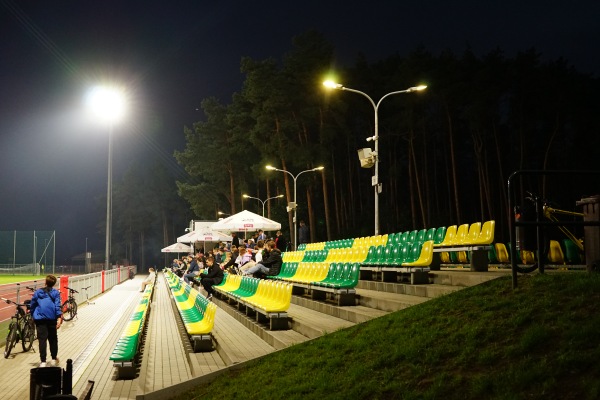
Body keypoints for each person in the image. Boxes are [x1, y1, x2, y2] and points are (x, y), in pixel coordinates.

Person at [30, 274, 63, 367]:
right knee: (53, 339)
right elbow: (57, 306)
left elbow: (32, 305)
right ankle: (53, 359)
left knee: (42, 340)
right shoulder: (55, 293)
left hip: (40, 319)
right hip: (51, 318)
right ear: (54, 283)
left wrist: (33, 315)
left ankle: (43, 361)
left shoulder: (38, 292)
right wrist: (59, 318)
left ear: (45, 282)